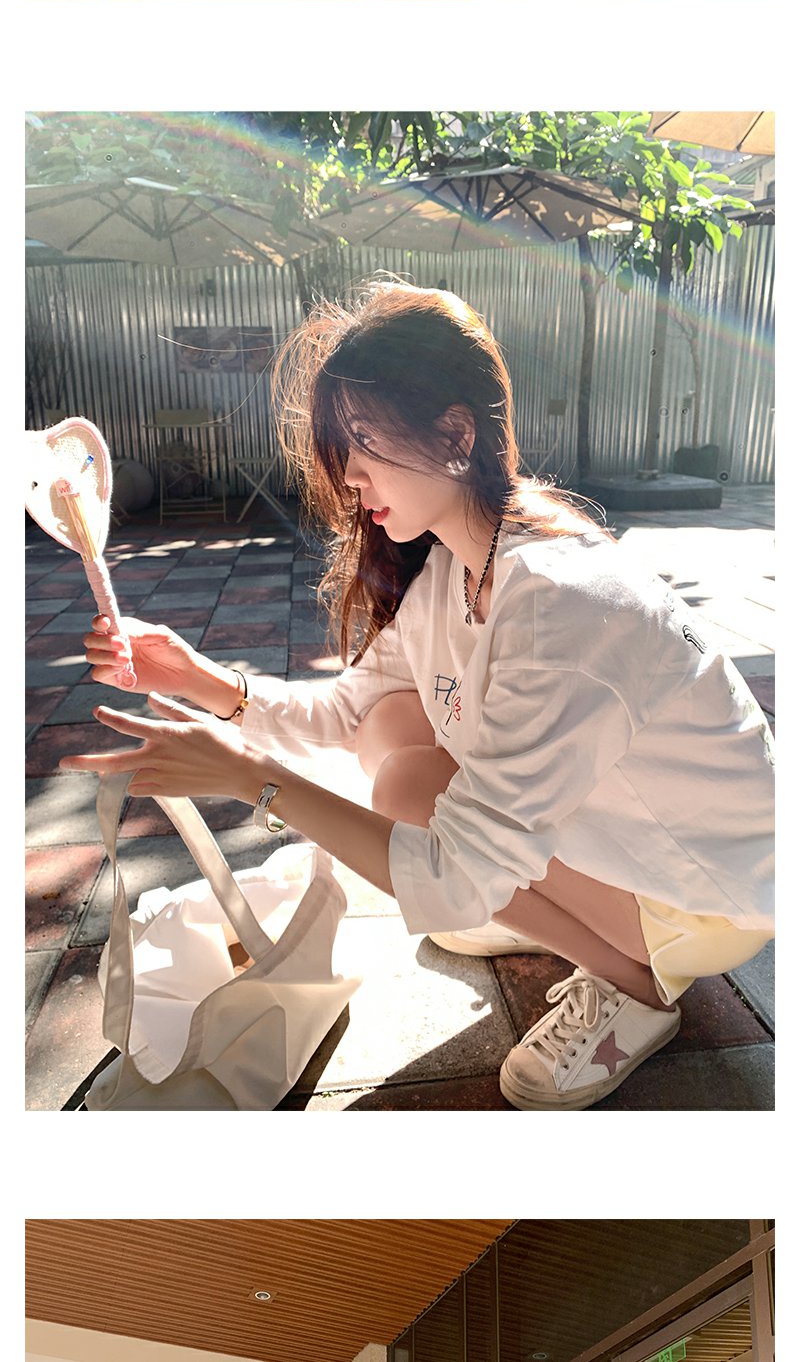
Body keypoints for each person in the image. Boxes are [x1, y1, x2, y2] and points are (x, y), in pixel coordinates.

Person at [62, 281, 775, 1110]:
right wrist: (198, 680)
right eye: (344, 447)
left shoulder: (557, 602)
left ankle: (638, 987)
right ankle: (561, 908)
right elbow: (346, 713)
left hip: (710, 894)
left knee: (415, 802)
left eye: (365, 440)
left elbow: (451, 873)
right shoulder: (456, 565)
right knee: (393, 730)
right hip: (641, 841)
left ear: (456, 433)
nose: (350, 474)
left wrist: (250, 779)